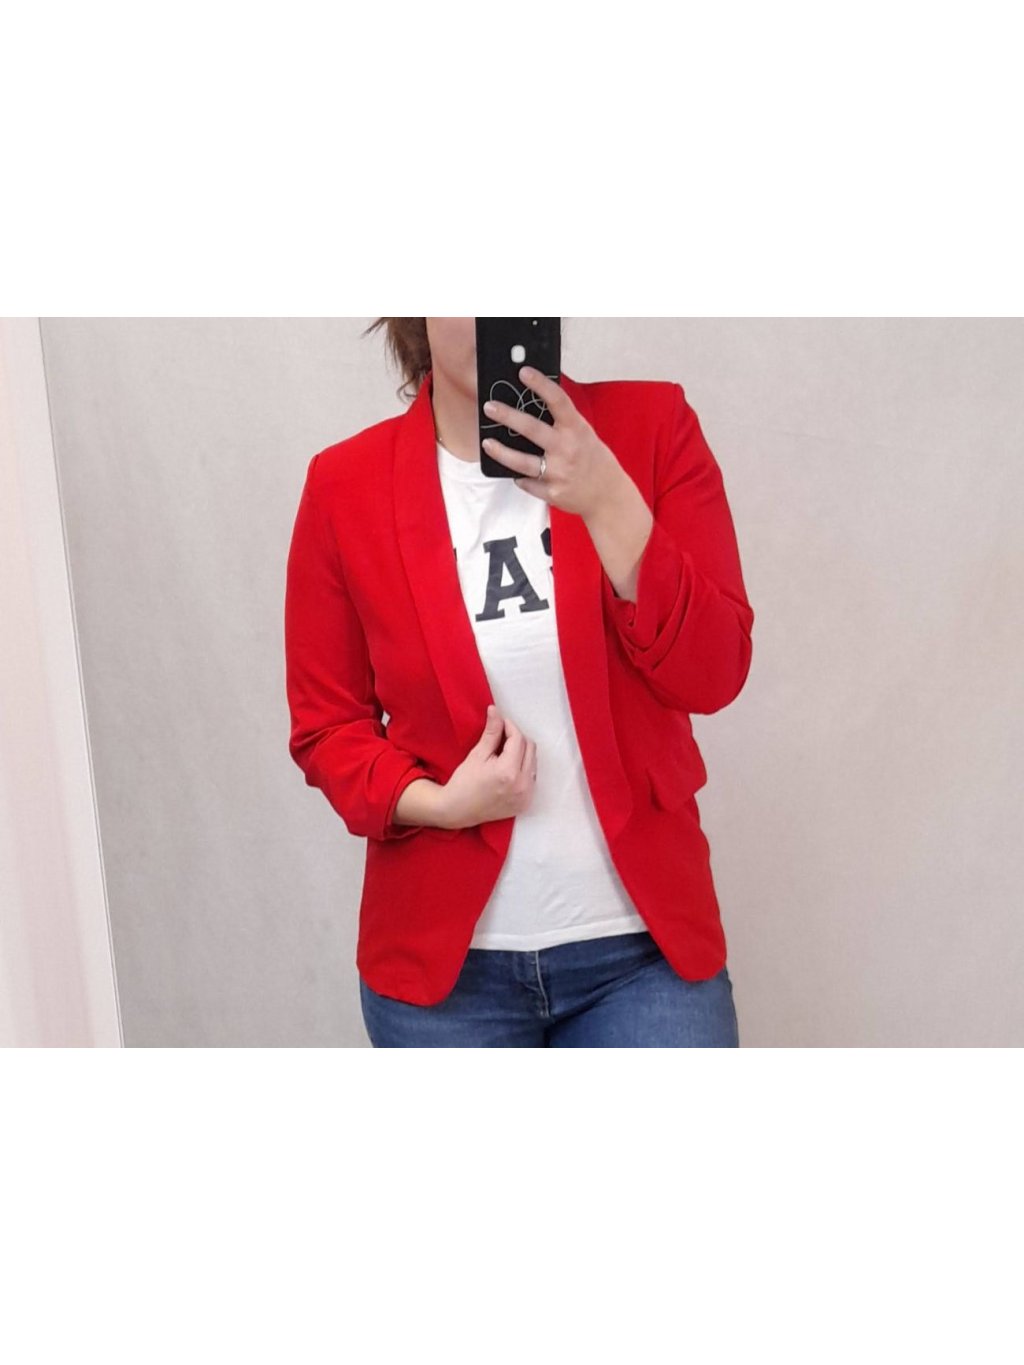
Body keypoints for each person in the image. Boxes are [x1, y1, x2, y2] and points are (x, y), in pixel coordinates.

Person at [284, 318, 755, 1047]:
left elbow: (715, 673)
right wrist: (440, 804)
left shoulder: (652, 427)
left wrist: (609, 501)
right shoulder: (344, 486)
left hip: (644, 956)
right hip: (447, 980)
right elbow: (327, 727)